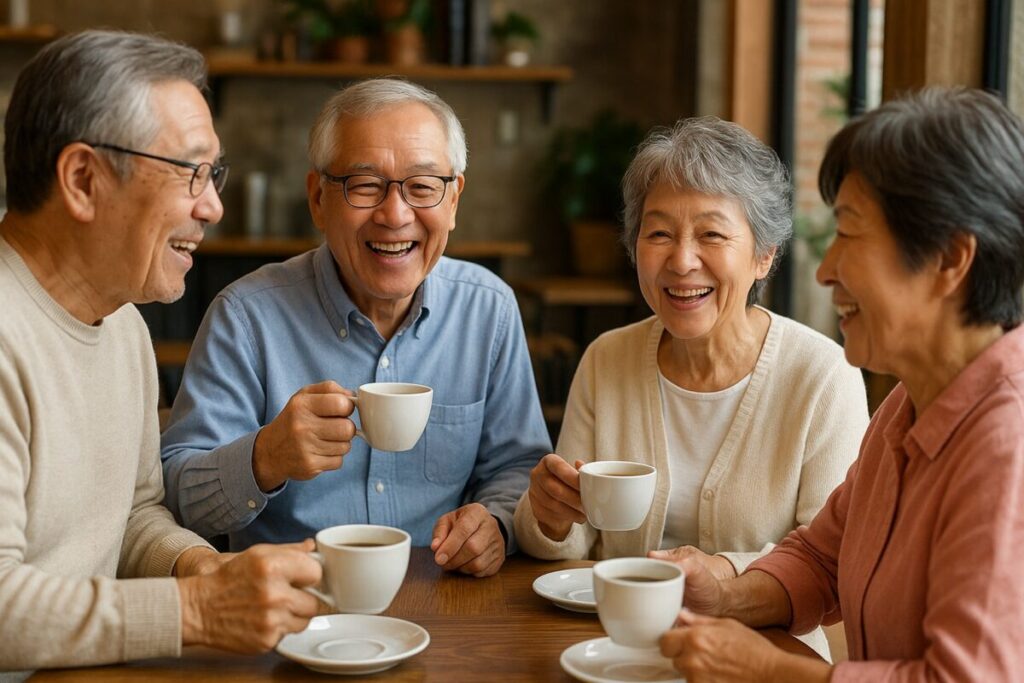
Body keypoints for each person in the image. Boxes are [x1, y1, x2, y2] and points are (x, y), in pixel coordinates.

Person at [658, 88, 1024, 682]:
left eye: (850, 235)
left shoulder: (1007, 444)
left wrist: (771, 671)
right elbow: (822, 558)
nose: (826, 270)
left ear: (950, 259)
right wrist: (721, 596)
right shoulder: (910, 402)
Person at [0, 31, 323, 680]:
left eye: (213, 173)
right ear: (83, 179)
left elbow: (133, 513)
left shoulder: (121, 325)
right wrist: (197, 610)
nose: (213, 205)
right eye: (190, 172)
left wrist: (203, 566)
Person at [161, 78, 550, 577]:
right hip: (294, 602)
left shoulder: (488, 309)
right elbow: (176, 494)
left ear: (453, 201)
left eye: (423, 187)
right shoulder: (246, 315)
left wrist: (495, 523)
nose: (395, 214)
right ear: (318, 200)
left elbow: (517, 468)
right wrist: (265, 458)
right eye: (365, 186)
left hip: (445, 598)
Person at [513, 117, 869, 654]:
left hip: (765, 654)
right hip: (612, 648)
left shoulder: (822, 375)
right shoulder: (607, 358)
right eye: (658, 233)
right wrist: (547, 514)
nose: (681, 261)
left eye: (711, 234)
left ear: (763, 254)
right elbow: (568, 548)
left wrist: (723, 571)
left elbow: (835, 560)